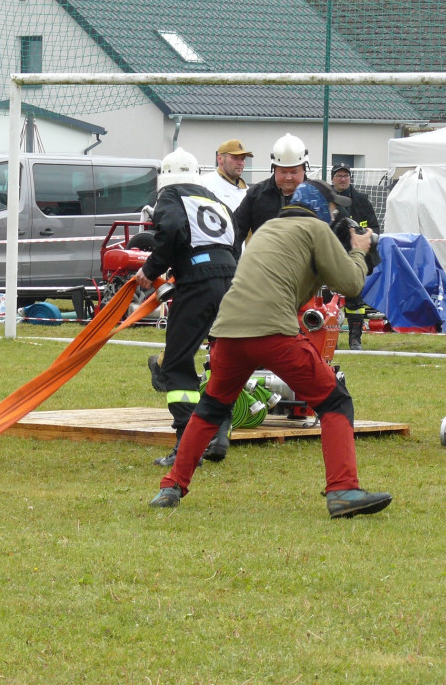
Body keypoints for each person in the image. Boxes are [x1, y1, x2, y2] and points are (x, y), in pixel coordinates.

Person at [150, 175, 392, 519]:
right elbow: (352, 283)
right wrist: (358, 250)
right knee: (334, 399)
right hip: (272, 333)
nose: (336, 217)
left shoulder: (265, 231)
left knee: (211, 409)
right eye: (335, 209)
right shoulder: (316, 230)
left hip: (227, 333)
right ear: (323, 208)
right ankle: (343, 490)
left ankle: (171, 486)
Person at [134, 149, 239, 467]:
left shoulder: (170, 197)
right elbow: (233, 242)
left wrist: (150, 270)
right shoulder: (214, 200)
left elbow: (172, 232)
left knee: (176, 365)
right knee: (221, 361)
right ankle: (219, 429)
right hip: (230, 281)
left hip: (198, 284)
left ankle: (186, 444)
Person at [331, 164, 381, 350]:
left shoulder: (361, 200)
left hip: (355, 258)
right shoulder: (326, 200)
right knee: (331, 301)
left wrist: (363, 239)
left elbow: (374, 227)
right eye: (338, 176)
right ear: (333, 178)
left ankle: (355, 340)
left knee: (355, 300)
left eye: (345, 176)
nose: (342, 179)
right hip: (332, 256)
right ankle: (330, 340)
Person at [232, 133, 308, 245]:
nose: (288, 177)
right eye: (283, 172)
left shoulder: (317, 197)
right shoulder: (256, 195)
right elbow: (235, 233)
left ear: (304, 169)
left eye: (294, 172)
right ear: (274, 169)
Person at [206, 139, 253, 214]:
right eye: (235, 158)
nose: (240, 163)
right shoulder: (205, 183)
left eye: (242, 158)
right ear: (220, 158)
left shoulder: (247, 190)